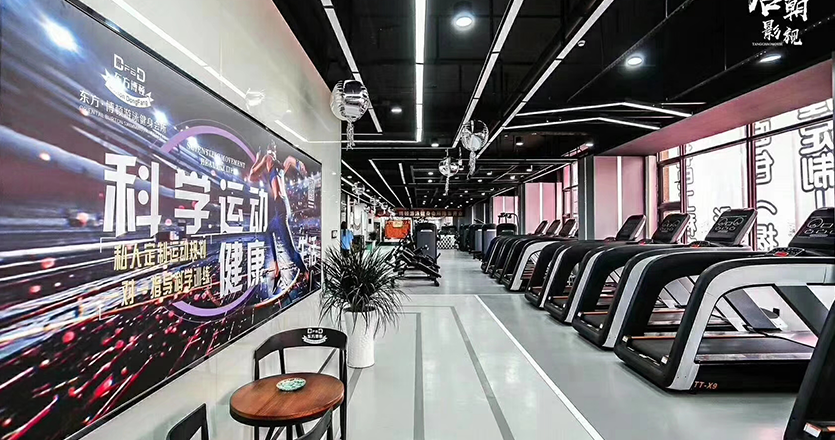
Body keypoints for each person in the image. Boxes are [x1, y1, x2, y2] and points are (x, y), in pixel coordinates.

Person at [247, 141, 308, 293]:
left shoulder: (268, 158)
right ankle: (276, 268)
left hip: (280, 207)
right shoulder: (280, 166)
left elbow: (252, 175)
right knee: (268, 231)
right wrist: (299, 164)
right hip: (281, 207)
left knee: (289, 249)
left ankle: (306, 272)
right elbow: (290, 160)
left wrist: (258, 158)